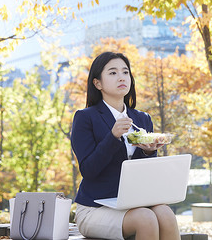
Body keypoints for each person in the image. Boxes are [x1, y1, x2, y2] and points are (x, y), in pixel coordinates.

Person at [71, 52, 180, 240]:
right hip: (95, 208)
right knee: (146, 219)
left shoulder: (142, 119)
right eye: (113, 73)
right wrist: (112, 137)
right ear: (97, 84)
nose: (121, 77)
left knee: (165, 213)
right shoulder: (85, 117)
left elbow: (145, 172)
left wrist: (149, 151)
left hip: (133, 203)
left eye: (125, 72)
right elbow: (88, 170)